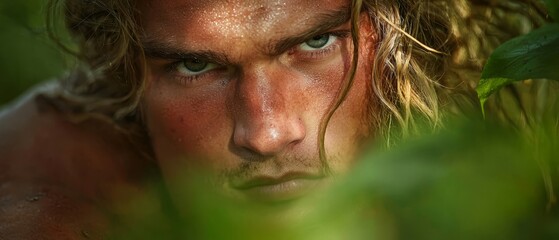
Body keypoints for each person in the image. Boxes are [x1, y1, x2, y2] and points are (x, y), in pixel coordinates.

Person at [0, 0, 545, 238]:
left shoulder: (510, 134)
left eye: (315, 42)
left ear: (397, 29)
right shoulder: (52, 198)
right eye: (195, 65)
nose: (265, 133)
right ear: (125, 71)